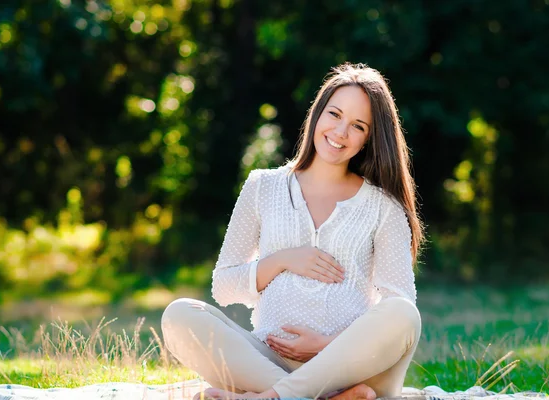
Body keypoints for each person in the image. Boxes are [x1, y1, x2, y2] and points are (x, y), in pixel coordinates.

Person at [161, 63, 424, 400]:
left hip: (352, 371)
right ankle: (305, 396)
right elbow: (224, 286)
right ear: (317, 114)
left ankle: (272, 397)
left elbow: (398, 302)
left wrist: (328, 347)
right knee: (180, 315)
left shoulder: (383, 207)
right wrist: (283, 260)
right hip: (266, 361)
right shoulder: (263, 186)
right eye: (334, 114)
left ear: (369, 139)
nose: (340, 132)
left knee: (404, 315)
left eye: (357, 126)